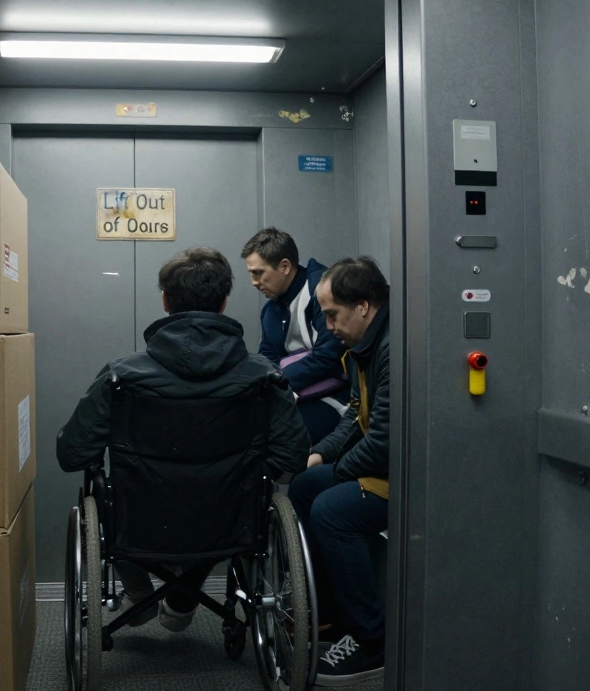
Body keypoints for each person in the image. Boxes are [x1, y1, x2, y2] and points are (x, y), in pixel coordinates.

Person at [57, 246, 310, 632]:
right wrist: (246, 476)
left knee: (108, 497)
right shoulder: (263, 377)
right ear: (224, 303)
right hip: (230, 522)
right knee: (225, 499)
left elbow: (72, 454)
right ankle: (183, 597)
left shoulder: (121, 377)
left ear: (165, 301)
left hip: (140, 520)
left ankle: (139, 593)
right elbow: (293, 455)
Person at [287, 256, 390, 686]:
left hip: (406, 478)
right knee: (304, 484)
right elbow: (354, 413)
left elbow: (383, 440)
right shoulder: (363, 347)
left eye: (332, 315)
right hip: (381, 467)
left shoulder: (391, 348)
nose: (328, 327)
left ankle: (370, 640)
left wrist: (340, 469)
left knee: (331, 511)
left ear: (362, 307)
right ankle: (327, 613)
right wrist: (321, 454)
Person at [241, 228, 350, 444]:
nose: (254, 282)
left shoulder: (322, 291)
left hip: (338, 394)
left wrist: (277, 381)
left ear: (284, 266)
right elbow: (267, 358)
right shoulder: (270, 309)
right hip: (296, 393)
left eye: (258, 272)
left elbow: (328, 357)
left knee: (280, 436)